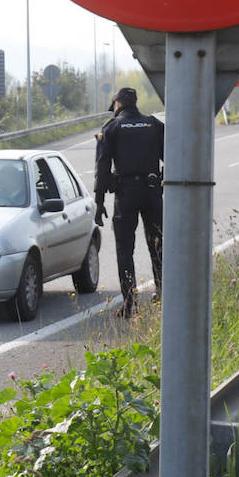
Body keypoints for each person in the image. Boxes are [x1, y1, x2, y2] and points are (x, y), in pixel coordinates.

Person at [94, 86, 164, 318]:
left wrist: (99, 202)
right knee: (158, 244)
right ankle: (162, 293)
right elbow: (173, 157)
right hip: (152, 191)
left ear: (117, 105)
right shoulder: (154, 125)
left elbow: (102, 167)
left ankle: (129, 303)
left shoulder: (112, 127)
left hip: (126, 194)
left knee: (125, 249)